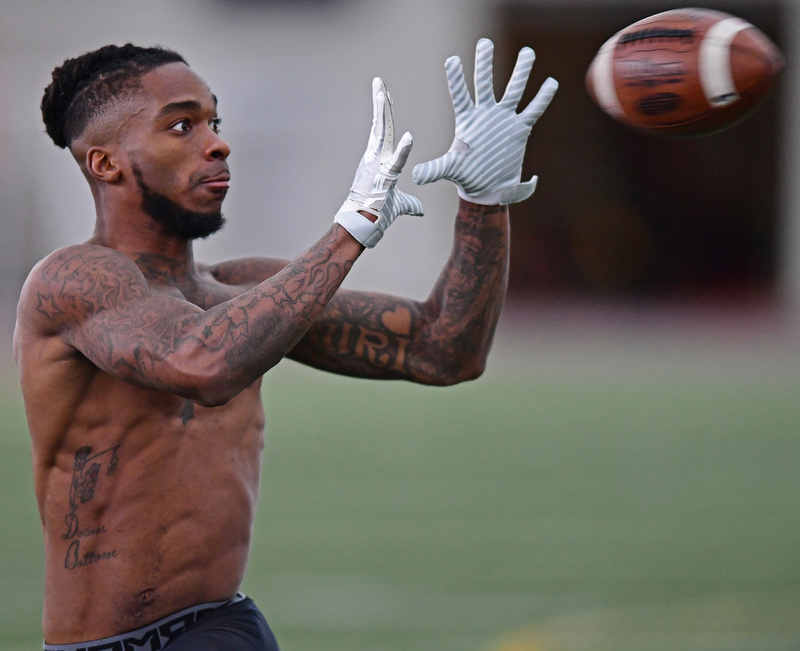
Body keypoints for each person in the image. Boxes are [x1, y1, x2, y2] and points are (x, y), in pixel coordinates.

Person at [14, 39, 557, 650]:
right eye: (182, 126)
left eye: (215, 121)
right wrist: (351, 228)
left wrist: (484, 202)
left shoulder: (240, 288)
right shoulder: (71, 281)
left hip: (226, 625)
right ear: (106, 164)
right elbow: (201, 362)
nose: (217, 144)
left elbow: (445, 349)